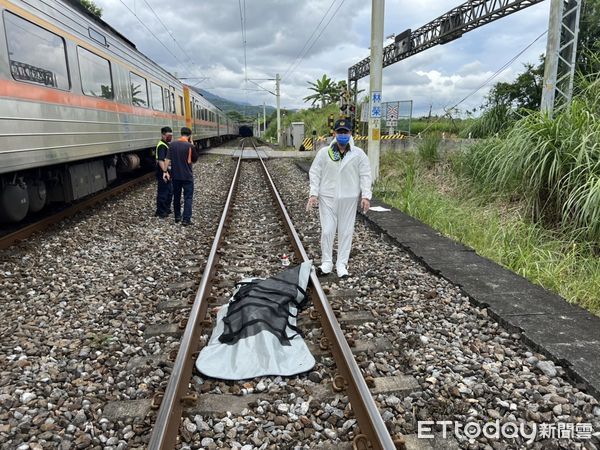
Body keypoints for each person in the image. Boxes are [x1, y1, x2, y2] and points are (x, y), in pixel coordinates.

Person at [306, 119, 372, 278]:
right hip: (327, 198)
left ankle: (342, 264)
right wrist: (313, 194)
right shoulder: (324, 153)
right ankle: (326, 263)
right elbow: (315, 173)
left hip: (348, 199)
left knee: (346, 232)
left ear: (351, 134)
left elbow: (365, 175)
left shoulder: (358, 154)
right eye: (340, 132)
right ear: (334, 133)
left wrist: (366, 196)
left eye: (346, 132)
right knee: (327, 230)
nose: (343, 135)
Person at [163, 127, 197, 226]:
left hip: (176, 176)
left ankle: (177, 217)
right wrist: (192, 145)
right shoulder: (190, 146)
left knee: (176, 196)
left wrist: (165, 171)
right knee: (188, 197)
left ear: (181, 133)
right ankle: (186, 219)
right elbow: (194, 160)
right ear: (189, 135)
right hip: (187, 176)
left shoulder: (172, 145)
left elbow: (167, 160)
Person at [155, 126, 173, 218]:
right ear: (162, 135)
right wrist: (165, 172)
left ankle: (166, 209)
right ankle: (161, 211)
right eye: (168, 135)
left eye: (171, 135)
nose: (170, 137)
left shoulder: (166, 144)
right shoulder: (161, 145)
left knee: (169, 191)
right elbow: (161, 160)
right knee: (163, 192)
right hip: (163, 172)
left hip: (168, 172)